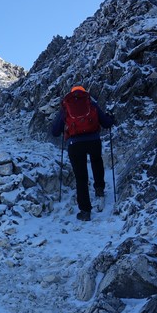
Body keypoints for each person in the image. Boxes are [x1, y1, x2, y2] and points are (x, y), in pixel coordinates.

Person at [50, 86, 115, 221]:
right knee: (97, 162)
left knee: (81, 177)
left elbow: (55, 131)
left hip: (75, 144)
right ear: (84, 93)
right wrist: (111, 119)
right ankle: (99, 189)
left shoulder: (66, 107)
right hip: (93, 140)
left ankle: (85, 211)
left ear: (71, 94)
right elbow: (106, 123)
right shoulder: (91, 104)